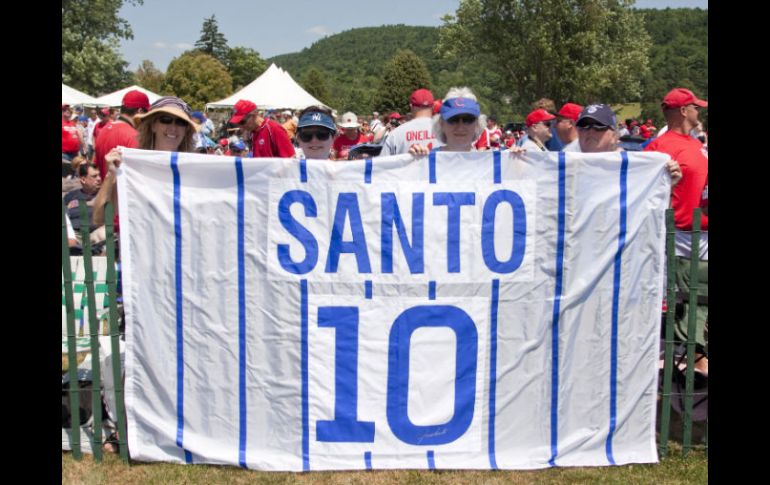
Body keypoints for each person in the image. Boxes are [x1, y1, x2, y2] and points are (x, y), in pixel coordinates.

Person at [644, 88, 709, 377]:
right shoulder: (660, 147)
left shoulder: (694, 143)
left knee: (698, 302)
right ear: (684, 111)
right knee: (692, 302)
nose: (700, 111)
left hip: (701, 233)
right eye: (697, 107)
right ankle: (696, 366)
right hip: (683, 237)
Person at [93, 96, 199, 227]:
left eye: (181, 122)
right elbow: (100, 219)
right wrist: (111, 175)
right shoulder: (132, 168)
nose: (173, 127)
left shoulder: (194, 171)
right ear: (153, 125)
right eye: (165, 120)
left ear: (186, 130)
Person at [93, 90, 151, 179]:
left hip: (104, 189)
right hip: (120, 191)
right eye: (146, 113)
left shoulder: (103, 130)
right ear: (140, 111)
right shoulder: (134, 136)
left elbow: (96, 164)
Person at [229, 100, 295, 158]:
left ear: (254, 115)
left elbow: (291, 158)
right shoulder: (252, 132)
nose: (240, 126)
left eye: (242, 122)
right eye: (237, 123)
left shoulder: (274, 129)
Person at [381, 88, 438, 155]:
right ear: (433, 106)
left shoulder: (395, 134)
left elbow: (383, 163)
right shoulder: (446, 131)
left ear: (411, 106)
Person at [64, 162, 106, 246]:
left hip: (94, 235)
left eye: (100, 175)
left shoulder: (105, 195)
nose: (99, 179)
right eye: (94, 176)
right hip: (72, 234)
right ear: (83, 179)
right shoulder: (70, 196)